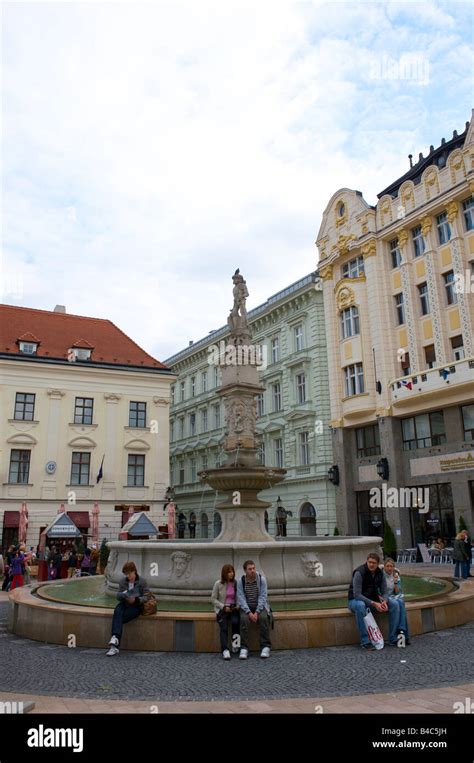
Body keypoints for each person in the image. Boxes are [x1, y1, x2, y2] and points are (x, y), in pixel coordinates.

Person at [348, 552, 400, 650]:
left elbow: (384, 591)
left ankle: (392, 638)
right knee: (360, 605)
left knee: (395, 604)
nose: (371, 564)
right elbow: (357, 595)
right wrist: (374, 603)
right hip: (354, 601)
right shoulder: (359, 572)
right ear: (366, 562)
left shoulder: (380, 573)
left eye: (374, 563)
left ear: (377, 564)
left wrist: (384, 601)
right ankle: (365, 641)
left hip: (373, 601)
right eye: (369, 562)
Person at [106, 561, 150, 656]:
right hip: (124, 603)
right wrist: (123, 595)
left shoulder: (142, 581)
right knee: (117, 611)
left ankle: (114, 644)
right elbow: (118, 595)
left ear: (134, 571)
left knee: (118, 617)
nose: (128, 576)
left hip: (136, 606)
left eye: (129, 574)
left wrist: (136, 600)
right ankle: (114, 641)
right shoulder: (123, 581)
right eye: (126, 574)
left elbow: (147, 597)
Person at [236, 560, 271, 659]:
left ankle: (265, 646)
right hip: (246, 607)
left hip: (259, 607)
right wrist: (248, 612)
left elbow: (263, 596)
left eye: (253, 568)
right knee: (244, 620)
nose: (252, 571)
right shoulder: (241, 581)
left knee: (264, 618)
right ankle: (244, 647)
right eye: (250, 569)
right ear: (245, 571)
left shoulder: (261, 579)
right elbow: (241, 597)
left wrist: (257, 612)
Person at [211, 564, 240, 660]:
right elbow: (213, 599)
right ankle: (225, 650)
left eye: (232, 571)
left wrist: (237, 606)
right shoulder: (218, 584)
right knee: (223, 626)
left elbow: (239, 597)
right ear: (224, 573)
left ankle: (236, 644)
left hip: (233, 608)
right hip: (223, 609)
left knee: (236, 622)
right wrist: (223, 607)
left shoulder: (235, 583)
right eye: (229, 572)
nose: (231, 574)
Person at [382, 558, 410, 645]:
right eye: (387, 566)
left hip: (393, 596)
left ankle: (402, 631)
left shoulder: (395, 575)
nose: (389, 568)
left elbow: (397, 592)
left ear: (394, 567)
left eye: (391, 566)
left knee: (401, 602)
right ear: (384, 567)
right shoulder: (381, 575)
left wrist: (395, 583)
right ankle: (393, 636)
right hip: (384, 597)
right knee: (395, 604)